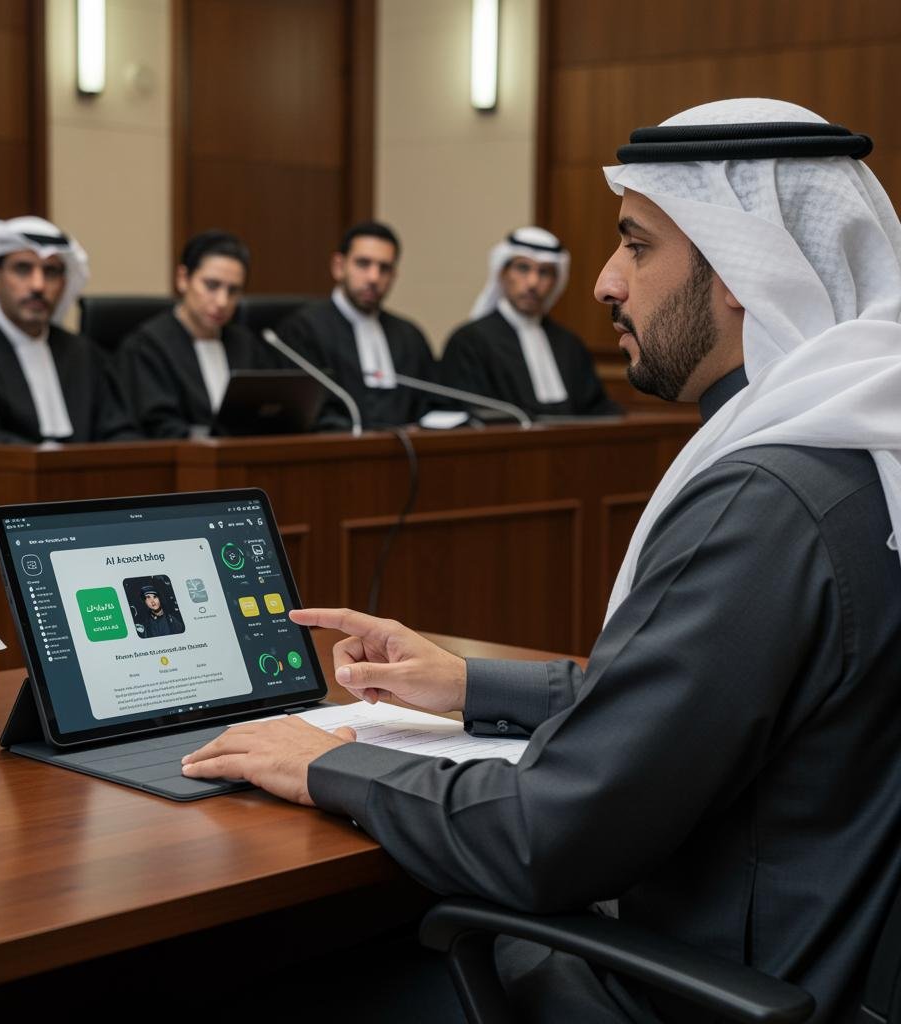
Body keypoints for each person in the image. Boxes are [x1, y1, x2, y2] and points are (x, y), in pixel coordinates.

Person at [181, 98, 901, 1023]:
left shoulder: (767, 500)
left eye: (636, 245)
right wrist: (467, 683)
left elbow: (546, 836)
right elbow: (704, 702)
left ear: (741, 269)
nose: (604, 282)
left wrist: (322, 765)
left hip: (687, 992)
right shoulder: (858, 458)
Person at [0, 216, 138, 444]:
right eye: (23, 269)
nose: (38, 285)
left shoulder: (85, 356)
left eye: (50, 272)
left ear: (63, 284)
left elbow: (117, 430)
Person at [118, 230, 286, 438]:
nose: (222, 301)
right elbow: (159, 426)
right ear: (183, 279)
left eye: (233, 291)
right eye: (212, 286)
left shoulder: (246, 344)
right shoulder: (146, 347)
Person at [440, 227, 621, 418]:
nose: (533, 282)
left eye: (544, 272)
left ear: (555, 282)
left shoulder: (570, 345)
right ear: (502, 274)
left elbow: (597, 410)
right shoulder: (469, 342)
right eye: (523, 268)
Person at [273, 220, 438, 430]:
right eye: (363, 264)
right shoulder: (303, 330)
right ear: (339, 267)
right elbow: (305, 414)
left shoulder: (410, 336)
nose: (374, 277)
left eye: (384, 268)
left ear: (394, 276)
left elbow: (430, 405)